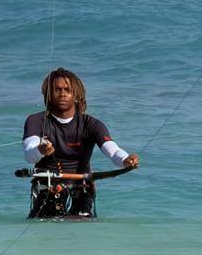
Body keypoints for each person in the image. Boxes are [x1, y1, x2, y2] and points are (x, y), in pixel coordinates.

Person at [22, 67, 139, 217]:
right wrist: (40, 150)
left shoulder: (92, 124)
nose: (62, 94)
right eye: (57, 90)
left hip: (82, 185)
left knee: (82, 221)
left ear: (76, 95)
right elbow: (29, 153)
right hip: (47, 185)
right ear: (49, 94)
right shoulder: (36, 120)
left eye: (67, 90)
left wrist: (125, 160)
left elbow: (113, 150)